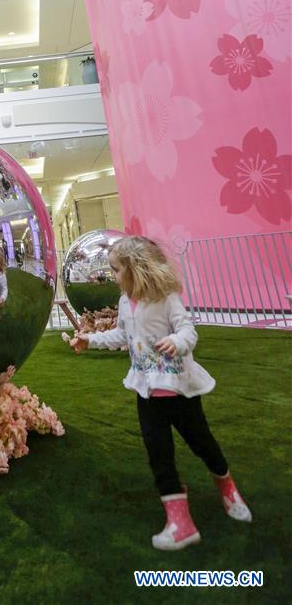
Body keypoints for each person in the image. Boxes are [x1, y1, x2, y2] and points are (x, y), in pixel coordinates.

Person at [68, 235, 252, 551]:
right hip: (147, 393)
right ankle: (180, 522)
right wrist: (90, 339)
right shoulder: (126, 301)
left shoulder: (166, 298)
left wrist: (177, 342)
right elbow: (122, 335)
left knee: (202, 443)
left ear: (135, 269)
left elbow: (188, 331)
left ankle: (227, 486)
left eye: (115, 270)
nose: (112, 276)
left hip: (180, 391)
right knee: (159, 455)